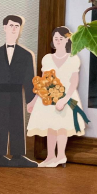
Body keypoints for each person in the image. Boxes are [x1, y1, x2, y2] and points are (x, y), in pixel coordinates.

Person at [26, 26, 85, 167]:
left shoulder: (73, 59)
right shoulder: (47, 59)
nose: (58, 41)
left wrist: (65, 99)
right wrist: (34, 100)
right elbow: (42, 82)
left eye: (61, 38)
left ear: (67, 40)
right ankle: (50, 156)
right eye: (56, 38)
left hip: (65, 97)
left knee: (62, 127)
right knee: (50, 127)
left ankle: (61, 156)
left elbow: (74, 82)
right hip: (48, 98)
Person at [0, 15, 38, 167]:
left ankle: (18, 156)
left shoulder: (26, 55)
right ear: (5, 28)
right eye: (11, 25)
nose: (14, 28)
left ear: (20, 29)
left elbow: (30, 79)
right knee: (0, 123)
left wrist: (31, 100)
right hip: (1, 94)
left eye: (17, 26)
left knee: (17, 123)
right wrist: (0, 95)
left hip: (17, 93)